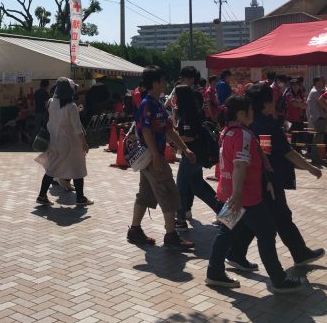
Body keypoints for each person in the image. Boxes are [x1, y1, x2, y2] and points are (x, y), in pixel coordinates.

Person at [205, 94, 307, 293]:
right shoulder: (242, 135)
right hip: (245, 196)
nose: (253, 113)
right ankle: (278, 279)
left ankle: (214, 272)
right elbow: (240, 166)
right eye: (250, 110)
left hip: (231, 193)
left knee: (226, 232)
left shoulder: (227, 131)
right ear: (241, 114)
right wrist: (237, 195)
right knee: (266, 232)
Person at [225, 84, 325, 272]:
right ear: (266, 103)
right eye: (273, 99)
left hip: (243, 181)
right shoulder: (268, 125)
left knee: (240, 221)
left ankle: (230, 256)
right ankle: (289, 264)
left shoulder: (240, 125)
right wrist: (311, 168)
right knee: (278, 218)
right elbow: (287, 152)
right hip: (267, 182)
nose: (275, 102)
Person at [126, 66, 196, 250]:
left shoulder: (156, 104)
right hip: (152, 157)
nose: (166, 84)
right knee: (168, 192)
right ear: (155, 83)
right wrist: (157, 156)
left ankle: (134, 230)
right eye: (163, 80)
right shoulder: (147, 104)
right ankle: (171, 235)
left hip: (150, 158)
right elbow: (146, 131)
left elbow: (168, 130)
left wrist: (185, 148)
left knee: (145, 195)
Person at [36, 78, 93, 206]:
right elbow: (77, 128)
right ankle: (80, 198)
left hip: (55, 141)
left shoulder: (51, 102)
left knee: (51, 169)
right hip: (71, 143)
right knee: (77, 169)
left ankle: (42, 195)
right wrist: (84, 143)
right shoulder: (71, 106)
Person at [174, 85, 221, 233]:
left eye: (176, 95)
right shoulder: (193, 110)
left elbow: (190, 136)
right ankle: (225, 214)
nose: (174, 98)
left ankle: (180, 220)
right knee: (198, 186)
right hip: (198, 155)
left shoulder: (188, 114)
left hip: (191, 156)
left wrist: (174, 140)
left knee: (181, 187)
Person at [306, 76, 327, 165]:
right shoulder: (315, 92)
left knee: (319, 138)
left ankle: (316, 157)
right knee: (318, 138)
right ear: (317, 82)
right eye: (322, 81)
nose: (324, 82)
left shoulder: (316, 91)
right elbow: (322, 104)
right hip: (319, 117)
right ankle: (315, 157)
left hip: (318, 117)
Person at [284, 79, 307, 151]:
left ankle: (298, 151)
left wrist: (298, 104)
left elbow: (305, 106)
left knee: (301, 137)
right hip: (290, 120)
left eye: (297, 85)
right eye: (293, 85)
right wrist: (300, 104)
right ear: (291, 86)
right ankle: (292, 152)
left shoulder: (300, 95)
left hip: (299, 119)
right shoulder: (289, 94)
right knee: (292, 137)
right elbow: (294, 104)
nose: (295, 86)